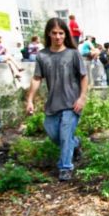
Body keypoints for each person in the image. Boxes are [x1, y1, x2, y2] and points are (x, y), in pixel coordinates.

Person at [26, 18, 88, 181]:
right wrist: (30, 100)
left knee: (65, 135)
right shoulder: (42, 56)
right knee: (54, 135)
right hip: (52, 105)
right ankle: (76, 143)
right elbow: (37, 78)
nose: (58, 36)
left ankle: (65, 167)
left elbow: (83, 77)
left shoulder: (73, 54)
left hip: (71, 103)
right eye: (54, 33)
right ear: (48, 34)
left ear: (65, 34)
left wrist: (82, 98)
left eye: (61, 33)